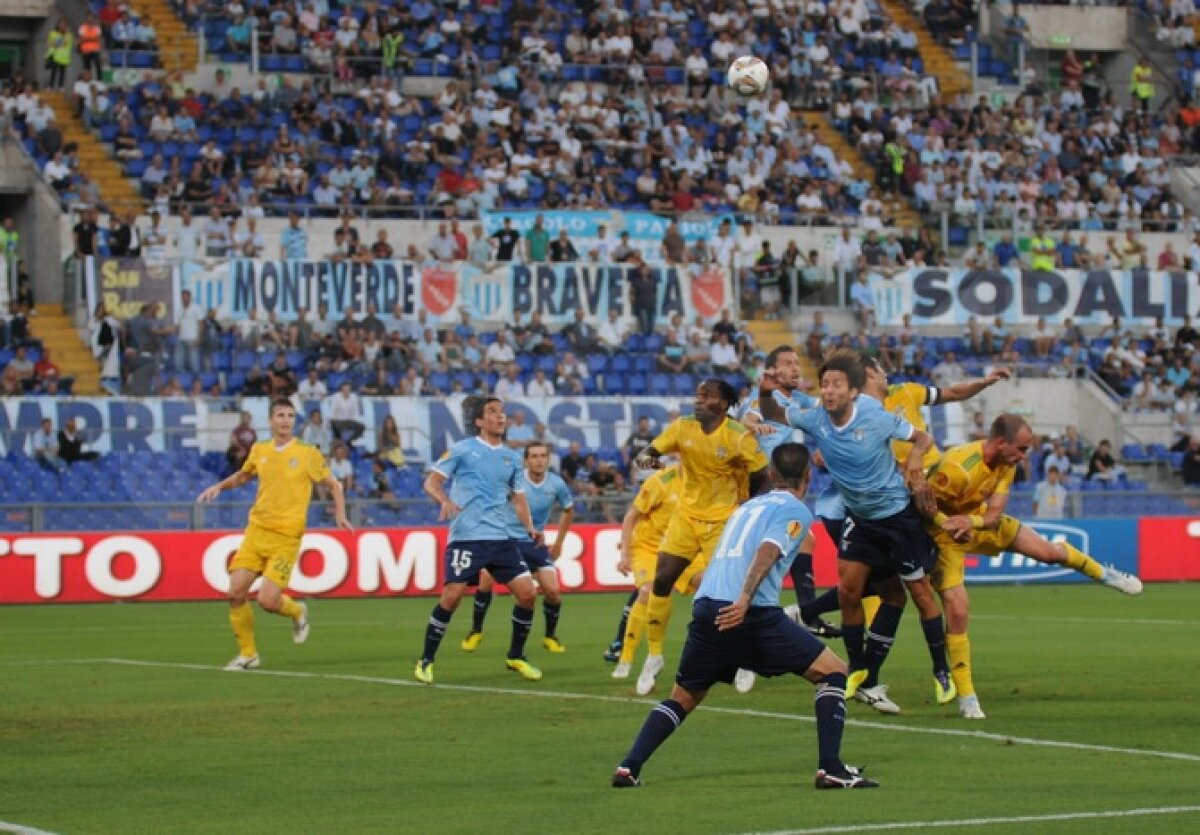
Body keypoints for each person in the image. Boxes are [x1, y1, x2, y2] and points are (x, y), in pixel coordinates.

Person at [611, 444, 878, 790]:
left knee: (684, 697)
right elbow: (769, 550)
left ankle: (628, 767)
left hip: (706, 606)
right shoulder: (794, 509)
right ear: (808, 477)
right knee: (834, 673)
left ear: (770, 475)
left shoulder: (746, 507)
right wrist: (745, 598)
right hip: (748, 612)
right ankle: (830, 768)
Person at [759, 350, 954, 710]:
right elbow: (772, 411)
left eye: (836, 385)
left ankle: (941, 670)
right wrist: (765, 386)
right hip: (861, 520)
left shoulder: (875, 416)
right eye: (825, 385)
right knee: (849, 593)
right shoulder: (815, 418)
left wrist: (914, 462)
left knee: (921, 595)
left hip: (897, 517)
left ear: (853, 392)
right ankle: (858, 668)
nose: (828, 391)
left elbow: (922, 439)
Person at [924, 416, 1143, 719]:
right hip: (945, 538)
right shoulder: (957, 468)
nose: (1025, 456)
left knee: (1050, 553)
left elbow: (995, 513)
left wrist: (970, 521)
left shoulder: (1007, 463)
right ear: (1001, 443)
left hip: (979, 522)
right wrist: (945, 524)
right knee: (958, 611)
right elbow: (921, 503)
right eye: (1022, 448)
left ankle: (1105, 574)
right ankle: (967, 695)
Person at [633, 380, 769, 696]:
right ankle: (654, 657)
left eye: (706, 396)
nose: (698, 400)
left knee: (733, 592)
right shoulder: (682, 427)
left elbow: (763, 475)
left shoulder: (738, 437)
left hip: (723, 521)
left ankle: (746, 658)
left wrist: (749, 507)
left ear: (723, 404)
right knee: (662, 580)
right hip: (686, 517)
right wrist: (647, 459)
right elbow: (649, 452)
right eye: (697, 395)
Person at [197, 398, 350, 670]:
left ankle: (297, 610)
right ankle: (248, 654)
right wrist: (219, 486)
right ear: (270, 420)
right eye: (280, 415)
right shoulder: (260, 449)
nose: (285, 420)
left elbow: (334, 485)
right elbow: (244, 476)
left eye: (290, 416)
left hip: (285, 537)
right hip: (256, 532)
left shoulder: (307, 453)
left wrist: (340, 514)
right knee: (234, 592)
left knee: (267, 600)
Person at [416, 396, 546, 684]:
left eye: (502, 413)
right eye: (493, 412)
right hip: (467, 538)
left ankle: (515, 656)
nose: (500, 417)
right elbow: (431, 481)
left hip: (501, 538)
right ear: (478, 421)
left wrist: (530, 527)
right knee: (451, 598)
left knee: (527, 593)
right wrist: (444, 500)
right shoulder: (462, 450)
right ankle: (426, 660)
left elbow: (518, 498)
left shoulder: (512, 457)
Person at [461, 441, 575, 653]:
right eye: (534, 456)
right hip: (506, 540)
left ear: (548, 459)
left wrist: (558, 543)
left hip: (534, 542)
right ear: (526, 460)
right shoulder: (514, 481)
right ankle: (476, 630)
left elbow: (568, 509)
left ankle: (550, 636)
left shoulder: (557, 484)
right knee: (485, 581)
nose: (539, 460)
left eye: (543, 456)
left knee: (553, 591)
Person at [613, 463, 682, 679]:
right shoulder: (661, 481)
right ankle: (627, 657)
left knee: (712, 589)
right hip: (648, 548)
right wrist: (624, 554)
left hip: (682, 548)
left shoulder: (705, 480)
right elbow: (631, 516)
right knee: (647, 591)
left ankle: (739, 657)